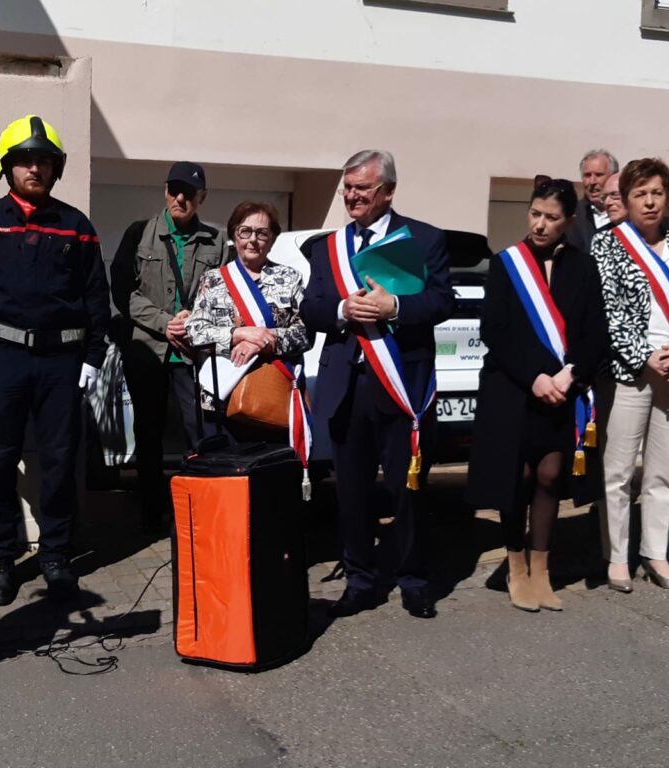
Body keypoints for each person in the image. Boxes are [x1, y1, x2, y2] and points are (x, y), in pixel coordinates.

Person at [0, 115, 109, 606]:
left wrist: (93, 356)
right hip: (1, 359)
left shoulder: (77, 226)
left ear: (56, 168)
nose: (34, 169)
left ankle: (57, 555)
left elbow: (96, 297)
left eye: (44, 160)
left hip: (62, 363)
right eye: (24, 160)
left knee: (60, 463)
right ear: (6, 166)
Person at [300, 149, 454, 619]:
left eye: (362, 188)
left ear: (388, 191)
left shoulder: (423, 239)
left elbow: (442, 302)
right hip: (348, 384)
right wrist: (342, 310)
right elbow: (311, 307)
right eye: (347, 188)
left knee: (407, 490)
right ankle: (361, 580)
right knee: (352, 491)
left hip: (401, 384)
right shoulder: (326, 247)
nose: (352, 196)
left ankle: (413, 580)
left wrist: (396, 308)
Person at [468, 178, 608, 611]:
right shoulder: (507, 263)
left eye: (551, 217)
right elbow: (496, 330)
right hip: (514, 389)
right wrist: (534, 378)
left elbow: (595, 331)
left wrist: (572, 374)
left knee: (550, 476)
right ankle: (516, 568)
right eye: (535, 214)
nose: (540, 224)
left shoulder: (583, 267)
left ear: (568, 221)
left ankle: (542, 569)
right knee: (520, 477)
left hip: (562, 391)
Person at [592, 158, 669, 592]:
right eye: (640, 193)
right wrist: (646, 355)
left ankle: (656, 554)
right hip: (630, 371)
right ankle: (616, 557)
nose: (649, 201)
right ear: (626, 199)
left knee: (663, 470)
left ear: (667, 197)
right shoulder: (607, 244)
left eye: (657, 193)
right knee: (618, 471)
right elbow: (608, 313)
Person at [110, 162, 227, 528]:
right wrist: (165, 323)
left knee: (198, 429)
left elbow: (223, 292)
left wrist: (191, 323)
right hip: (148, 348)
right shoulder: (138, 233)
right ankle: (151, 511)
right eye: (174, 190)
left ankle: (197, 509)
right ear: (165, 190)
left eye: (188, 193)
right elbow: (122, 291)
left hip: (193, 351)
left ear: (202, 197)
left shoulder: (217, 241)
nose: (180, 198)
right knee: (149, 431)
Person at [184, 201, 309, 437]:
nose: (253, 240)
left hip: (272, 395)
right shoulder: (213, 279)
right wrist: (238, 334)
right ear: (234, 235)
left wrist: (264, 341)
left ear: (272, 240)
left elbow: (305, 333)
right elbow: (194, 331)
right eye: (245, 231)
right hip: (219, 397)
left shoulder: (290, 278)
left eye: (262, 233)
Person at [568, 149, 619, 254]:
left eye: (599, 175)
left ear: (613, 177)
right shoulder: (572, 214)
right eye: (587, 175)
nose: (592, 182)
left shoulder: (625, 215)